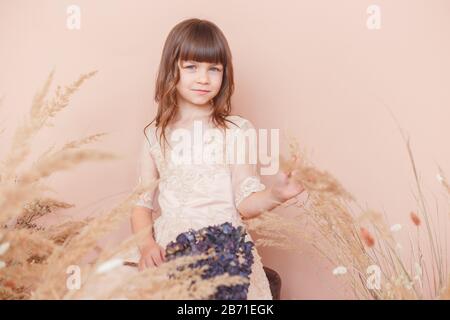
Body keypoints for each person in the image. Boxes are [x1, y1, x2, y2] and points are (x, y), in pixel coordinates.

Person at [131, 18, 305, 299]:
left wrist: (277, 194)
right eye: (191, 67)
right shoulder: (154, 135)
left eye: (214, 69)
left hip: (225, 250)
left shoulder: (236, 131)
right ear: (170, 70)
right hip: (172, 250)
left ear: (225, 74)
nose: (203, 78)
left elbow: (246, 204)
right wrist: (147, 246)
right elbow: (141, 206)